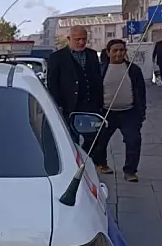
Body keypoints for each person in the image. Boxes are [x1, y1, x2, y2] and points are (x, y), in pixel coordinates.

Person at [92, 39, 146, 182]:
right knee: (100, 141)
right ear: (108, 52)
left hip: (129, 113)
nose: (118, 53)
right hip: (106, 113)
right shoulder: (100, 69)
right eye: (115, 50)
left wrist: (142, 113)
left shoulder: (134, 70)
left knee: (134, 140)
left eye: (122, 50)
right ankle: (102, 164)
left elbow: (141, 92)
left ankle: (130, 171)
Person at [47, 25, 104, 153]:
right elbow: (52, 83)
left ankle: (86, 160)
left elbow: (97, 79)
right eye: (77, 39)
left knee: (94, 139)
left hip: (90, 107)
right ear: (69, 38)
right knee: (71, 141)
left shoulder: (92, 55)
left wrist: (99, 103)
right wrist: (58, 105)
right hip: (69, 108)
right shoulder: (57, 58)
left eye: (84, 39)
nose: (81, 42)